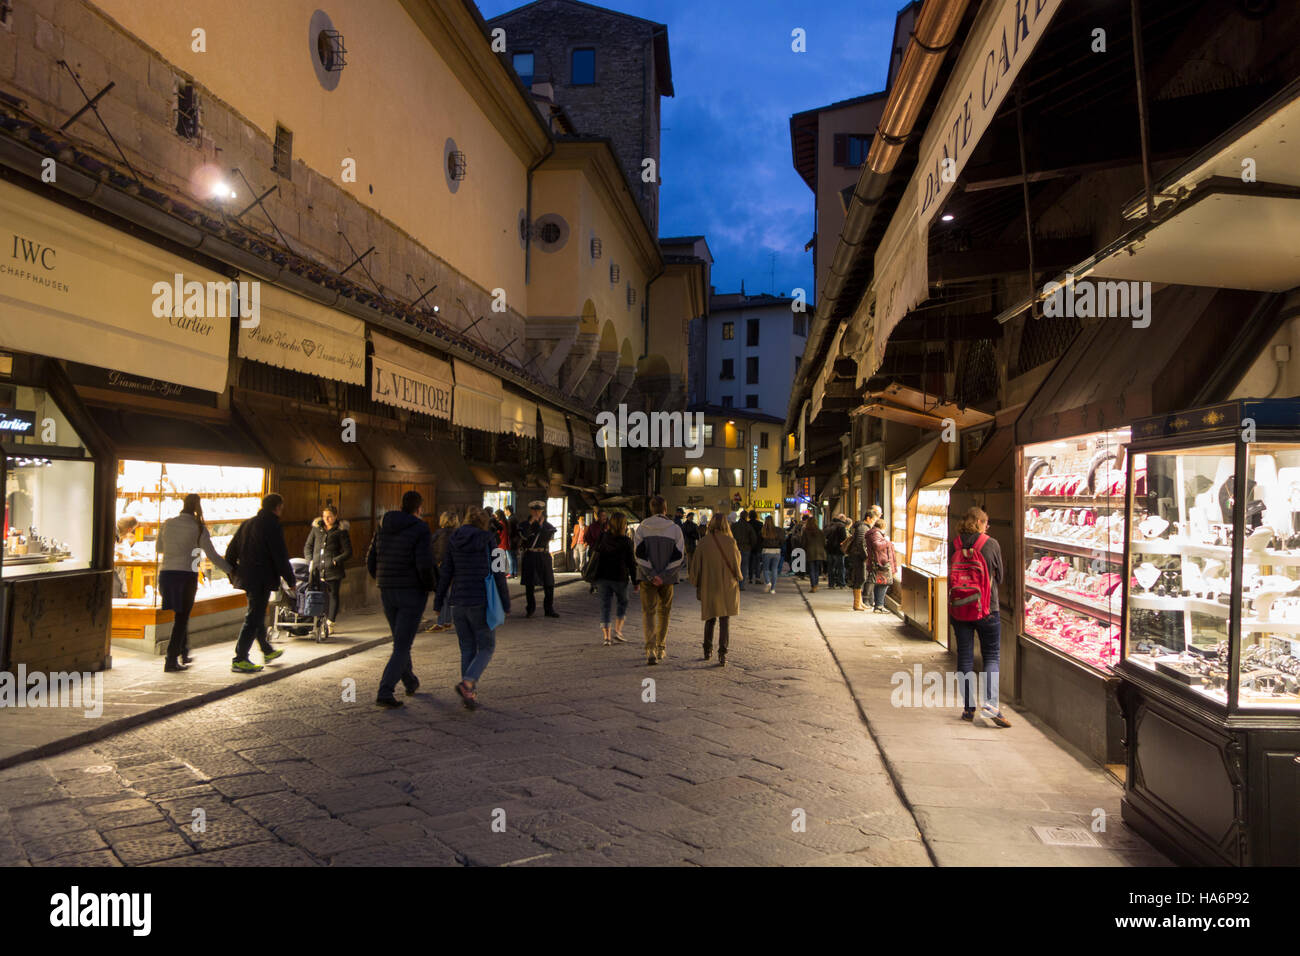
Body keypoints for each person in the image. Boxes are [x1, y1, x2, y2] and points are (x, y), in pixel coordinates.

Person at [434, 505, 510, 710]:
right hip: (480, 600)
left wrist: (438, 600)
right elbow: (499, 573)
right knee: (486, 646)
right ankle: (468, 683)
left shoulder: (454, 539)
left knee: (467, 647)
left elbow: (446, 572)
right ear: (484, 522)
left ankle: (469, 695)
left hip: (458, 600)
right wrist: (505, 601)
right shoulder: (489, 540)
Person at [366, 490, 435, 707]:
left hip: (387, 588)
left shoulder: (383, 524)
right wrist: (430, 586)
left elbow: (371, 557)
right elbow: (424, 562)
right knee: (402, 645)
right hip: (411, 591)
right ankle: (385, 691)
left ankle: (410, 680)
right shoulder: (420, 528)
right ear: (418, 508)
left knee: (400, 639)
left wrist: (380, 577)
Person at [157, 494, 231, 672]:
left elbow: (159, 548)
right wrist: (230, 570)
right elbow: (212, 555)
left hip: (166, 573)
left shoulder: (167, 523)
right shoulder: (198, 527)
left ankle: (184, 651)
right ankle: (171, 659)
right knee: (182, 618)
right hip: (186, 576)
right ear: (198, 507)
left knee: (179, 615)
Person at [951, 506, 1009, 726]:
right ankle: (991, 706)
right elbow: (1000, 576)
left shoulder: (955, 543)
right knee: (991, 656)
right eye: (986, 523)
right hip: (987, 608)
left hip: (959, 609)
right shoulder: (990, 543)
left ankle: (968, 709)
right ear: (981, 523)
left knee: (965, 657)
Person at [225, 493, 295, 673]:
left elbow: (231, 551)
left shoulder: (247, 524)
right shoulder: (272, 525)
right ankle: (240, 658)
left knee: (256, 613)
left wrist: (232, 572)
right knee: (253, 617)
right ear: (278, 507)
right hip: (261, 577)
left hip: (247, 576)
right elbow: (280, 555)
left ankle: (266, 649)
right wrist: (290, 580)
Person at [632, 495, 685, 665]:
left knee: (648, 612)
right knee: (664, 611)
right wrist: (662, 576)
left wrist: (651, 574)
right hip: (667, 579)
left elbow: (638, 555)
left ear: (651, 509)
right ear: (665, 509)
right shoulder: (675, 529)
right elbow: (679, 557)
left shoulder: (642, 528)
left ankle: (650, 649)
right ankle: (661, 647)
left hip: (647, 579)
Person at [690, 513, 742, 666]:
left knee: (710, 618)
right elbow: (736, 564)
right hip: (727, 585)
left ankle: (707, 649)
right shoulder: (730, 541)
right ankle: (722, 653)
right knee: (725, 620)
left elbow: (695, 566)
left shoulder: (703, 542)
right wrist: (738, 577)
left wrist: (696, 582)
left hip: (709, 585)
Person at [303, 505, 352, 637]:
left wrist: (336, 560)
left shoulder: (340, 531)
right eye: (324, 516)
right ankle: (316, 621)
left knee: (333, 595)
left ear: (335, 516)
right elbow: (308, 546)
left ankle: (330, 623)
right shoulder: (316, 529)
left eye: (329, 516)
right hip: (317, 568)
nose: (326, 519)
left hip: (333, 569)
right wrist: (309, 560)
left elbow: (348, 551)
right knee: (317, 594)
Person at [591, 513, 636, 645]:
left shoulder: (602, 537)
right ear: (624, 525)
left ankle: (607, 637)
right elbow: (631, 563)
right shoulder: (627, 541)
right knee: (623, 602)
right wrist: (635, 581)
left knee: (605, 606)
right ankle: (618, 631)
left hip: (603, 576)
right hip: (619, 578)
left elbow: (593, 553)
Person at [521, 500, 559, 617]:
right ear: (531, 511)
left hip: (543, 555)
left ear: (542, 511)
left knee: (549, 583)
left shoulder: (548, 526)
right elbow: (524, 536)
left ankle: (549, 609)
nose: (537, 512)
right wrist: (531, 523)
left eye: (539, 510)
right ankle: (530, 609)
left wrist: (541, 526)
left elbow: (548, 536)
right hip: (530, 555)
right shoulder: (523, 525)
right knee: (529, 584)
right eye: (534, 510)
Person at [427, 511, 459, 632]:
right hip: (456, 568)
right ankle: (447, 621)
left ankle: (441, 622)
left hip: (442, 567)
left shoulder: (439, 534)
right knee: (449, 594)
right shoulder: (459, 534)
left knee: (442, 594)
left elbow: (434, 550)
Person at [869, 517, 899, 611]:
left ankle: (878, 605)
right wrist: (886, 541)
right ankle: (879, 605)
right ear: (883, 526)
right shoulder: (876, 533)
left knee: (880, 584)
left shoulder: (875, 533)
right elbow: (877, 546)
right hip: (882, 563)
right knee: (883, 583)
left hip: (880, 562)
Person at [846, 510, 872, 611]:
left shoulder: (862, 527)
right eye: (874, 519)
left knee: (860, 578)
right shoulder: (863, 527)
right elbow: (860, 543)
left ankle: (859, 602)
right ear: (868, 518)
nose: (874, 521)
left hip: (857, 556)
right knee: (861, 578)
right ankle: (857, 604)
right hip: (858, 557)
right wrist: (865, 557)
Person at [113, 515, 139, 598]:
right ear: (129, 529)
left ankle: (122, 592)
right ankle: (122, 593)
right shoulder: (114, 532)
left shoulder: (114, 530)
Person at [730, 509, 755, 591]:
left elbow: (729, 536)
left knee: (735, 566)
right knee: (744, 567)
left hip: (735, 548)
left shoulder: (734, 526)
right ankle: (741, 585)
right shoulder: (749, 526)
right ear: (746, 517)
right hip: (746, 548)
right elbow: (753, 538)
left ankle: (734, 583)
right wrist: (751, 546)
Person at [802, 515, 827, 591]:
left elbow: (803, 543)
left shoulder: (806, 532)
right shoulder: (820, 531)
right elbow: (824, 543)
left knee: (812, 570)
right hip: (820, 553)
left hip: (810, 552)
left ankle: (813, 585)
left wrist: (805, 549)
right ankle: (816, 584)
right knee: (817, 570)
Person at [760, 515, 784, 593]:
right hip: (776, 551)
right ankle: (773, 589)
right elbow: (782, 540)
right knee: (774, 569)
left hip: (766, 551)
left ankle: (768, 582)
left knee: (765, 569)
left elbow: (759, 541)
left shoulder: (763, 530)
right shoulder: (778, 530)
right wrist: (779, 546)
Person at [825, 514, 848, 589]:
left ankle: (831, 584)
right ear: (843, 519)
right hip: (838, 550)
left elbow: (825, 537)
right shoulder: (841, 526)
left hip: (829, 549)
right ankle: (841, 583)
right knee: (841, 567)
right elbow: (844, 539)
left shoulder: (829, 525)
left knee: (831, 567)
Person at [747, 510, 764, 584]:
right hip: (758, 546)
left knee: (750, 563)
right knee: (757, 563)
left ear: (749, 516)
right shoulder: (760, 524)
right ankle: (757, 577)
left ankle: (750, 578)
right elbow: (762, 535)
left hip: (749, 545)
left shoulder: (747, 524)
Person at [503, 505, 519, 578]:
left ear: (508, 510)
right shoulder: (515, 518)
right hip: (515, 541)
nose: (504, 512)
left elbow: (509, 532)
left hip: (511, 541)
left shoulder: (510, 520)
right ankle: (515, 572)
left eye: (505, 510)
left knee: (510, 557)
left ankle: (511, 572)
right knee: (514, 557)